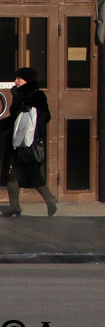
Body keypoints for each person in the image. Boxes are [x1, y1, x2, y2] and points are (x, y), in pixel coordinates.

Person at [1, 67, 56, 217]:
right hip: (14, 142)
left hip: (28, 143)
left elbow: (46, 116)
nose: (16, 81)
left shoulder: (36, 95)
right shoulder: (17, 95)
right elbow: (14, 120)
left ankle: (50, 200)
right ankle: (15, 206)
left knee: (32, 174)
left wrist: (31, 113)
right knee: (10, 174)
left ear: (27, 80)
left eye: (19, 78)